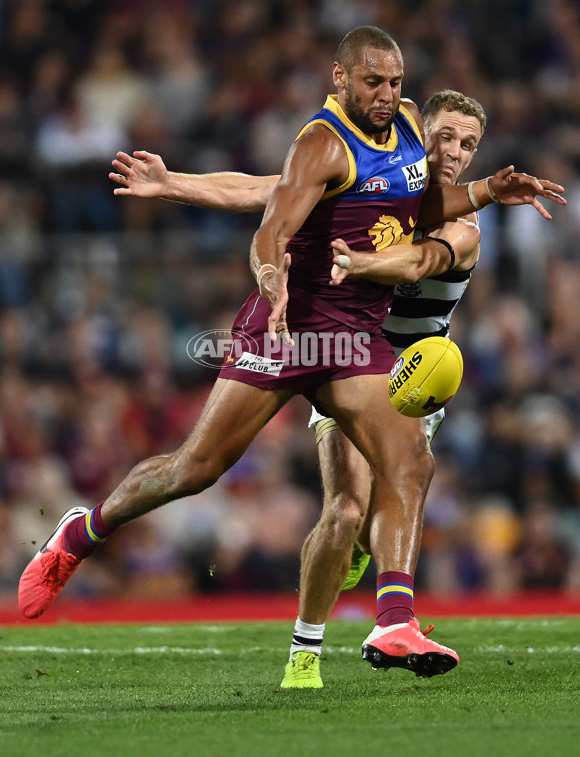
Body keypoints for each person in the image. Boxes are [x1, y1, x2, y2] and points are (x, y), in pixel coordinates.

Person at [18, 28, 564, 691]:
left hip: (356, 339)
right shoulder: (322, 143)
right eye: (373, 83)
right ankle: (82, 532)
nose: (387, 96)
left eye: (395, 82)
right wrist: (271, 278)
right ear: (340, 78)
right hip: (288, 330)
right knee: (194, 469)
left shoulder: (411, 129)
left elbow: (414, 207)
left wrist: (480, 191)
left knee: (409, 459)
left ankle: (394, 620)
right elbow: (271, 222)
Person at [109, 87, 489, 687]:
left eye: (468, 145)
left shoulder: (463, 225)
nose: (454, 152)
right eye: (444, 136)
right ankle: (306, 655)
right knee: (344, 511)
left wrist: (359, 264)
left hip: (407, 380)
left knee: (386, 492)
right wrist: (173, 182)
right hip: (342, 358)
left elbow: (415, 263)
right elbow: (266, 190)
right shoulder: (370, 182)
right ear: (420, 137)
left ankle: (388, 611)